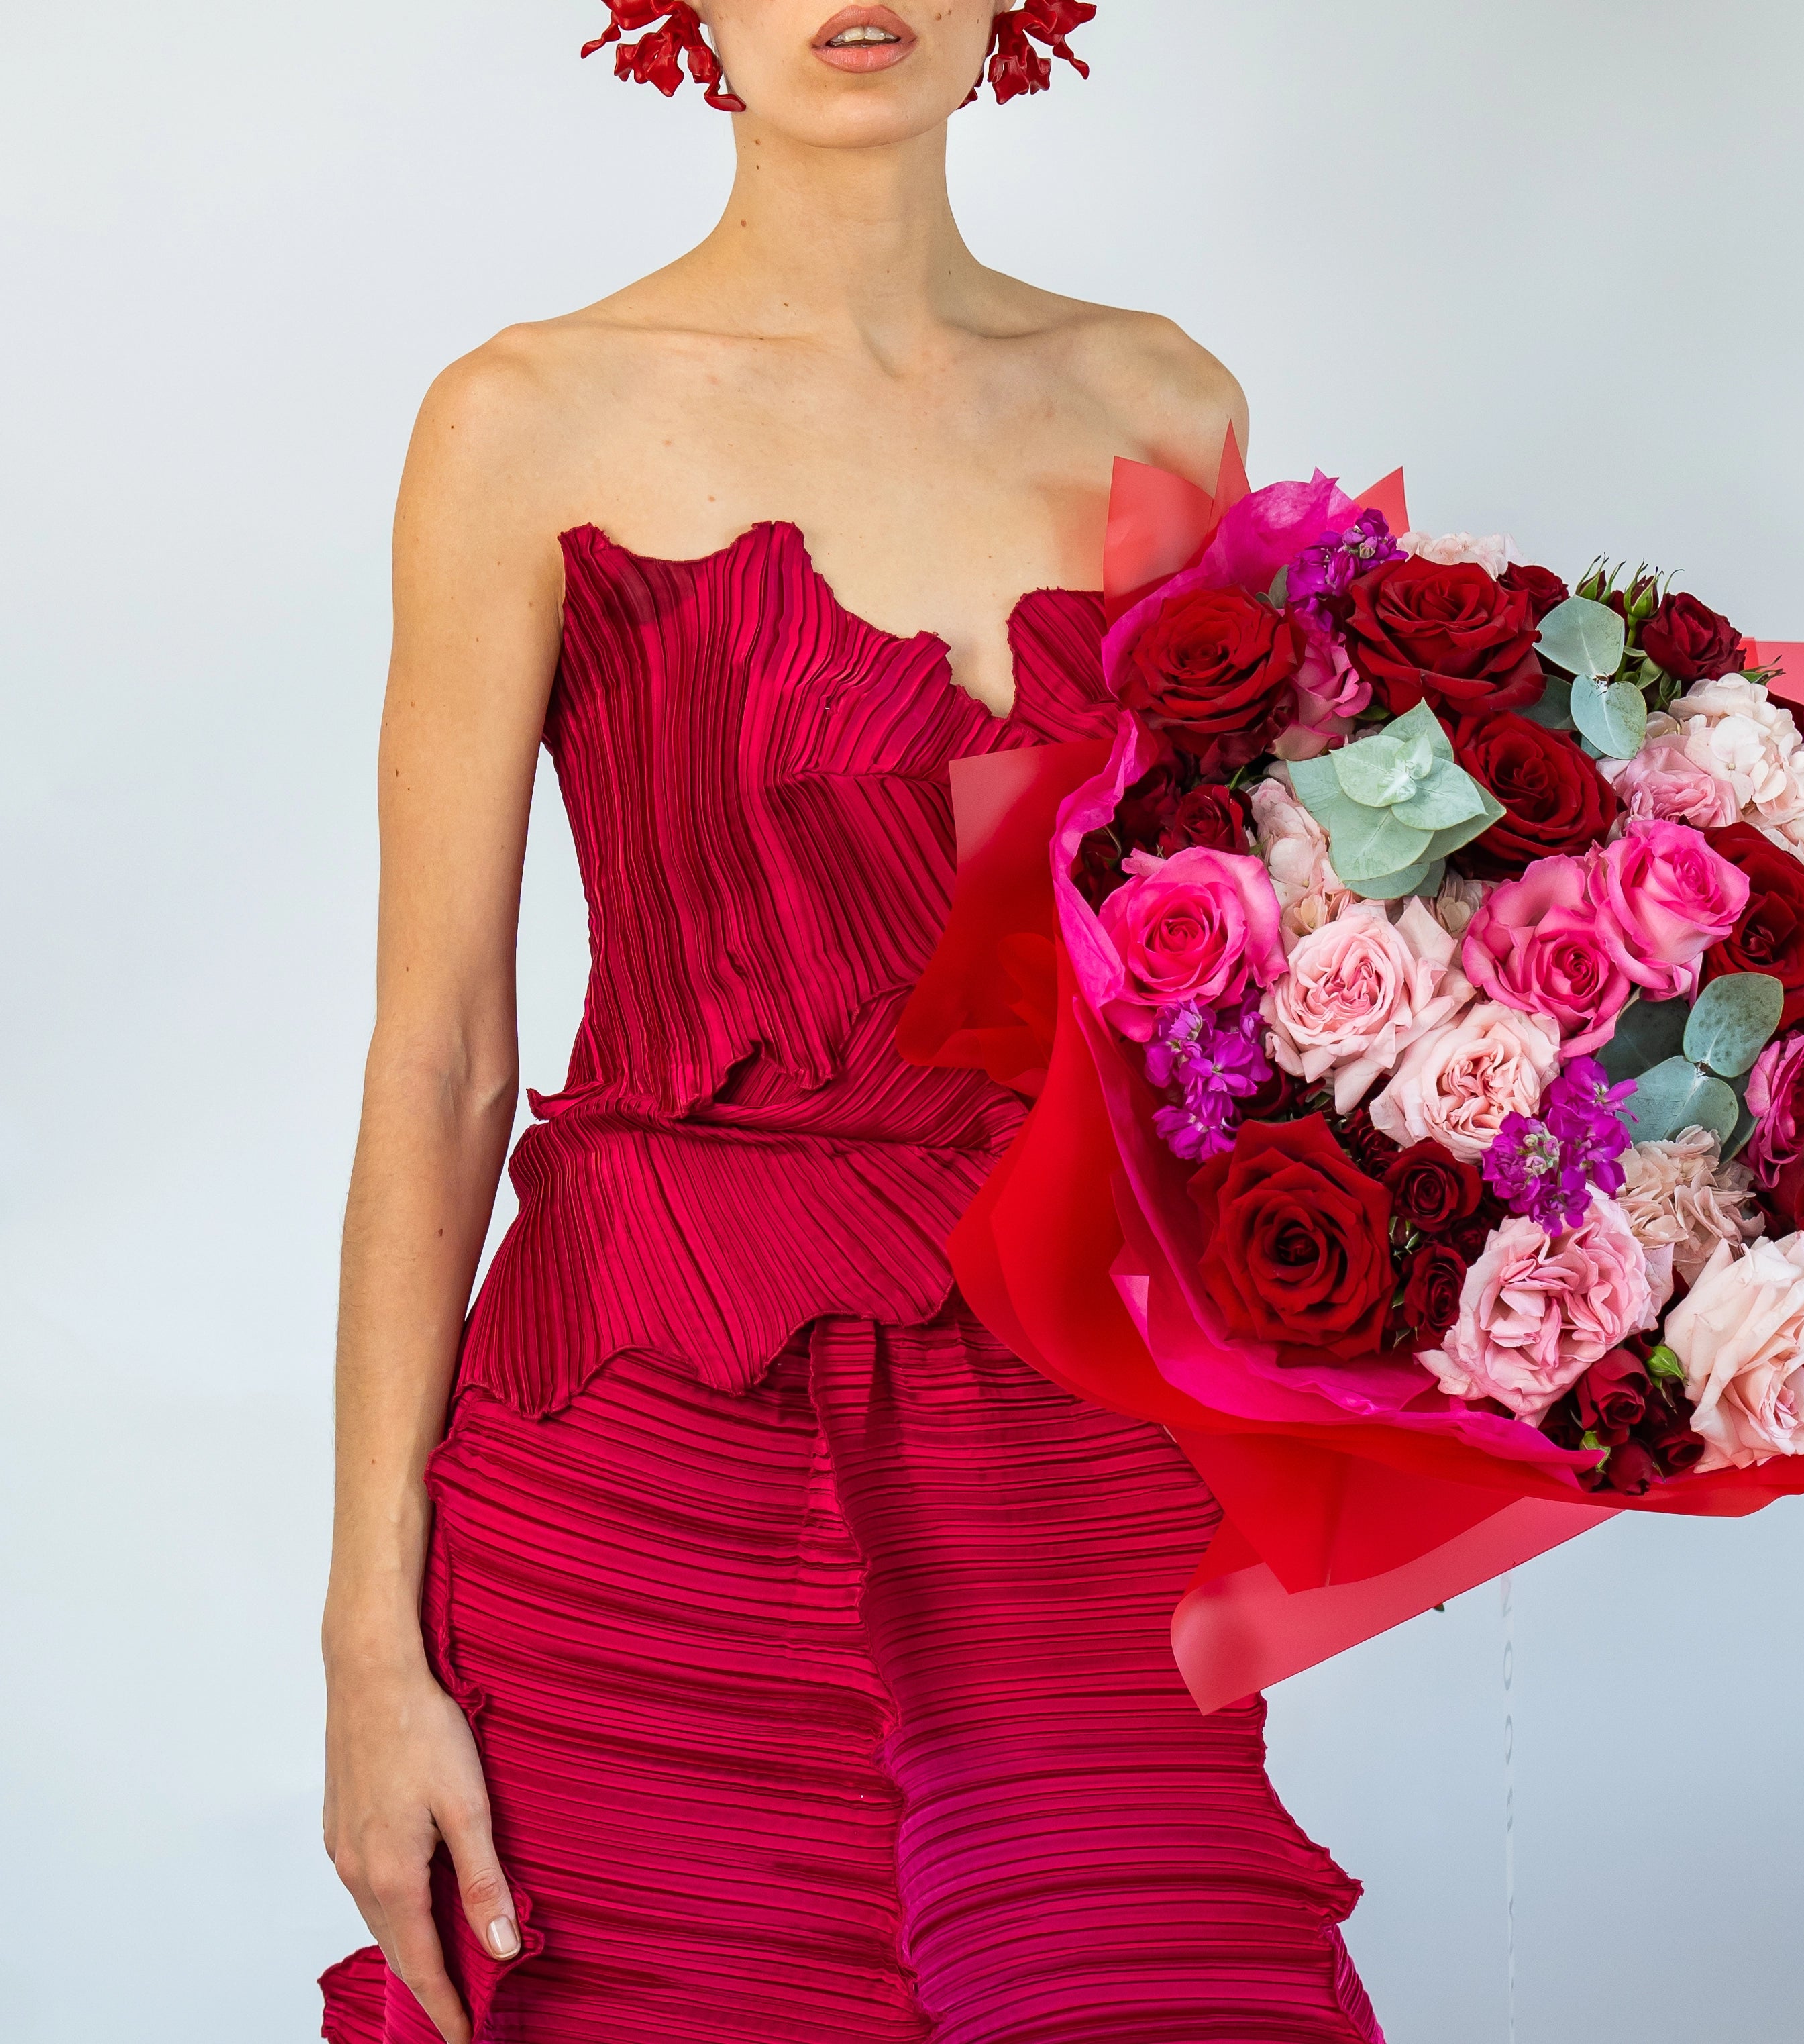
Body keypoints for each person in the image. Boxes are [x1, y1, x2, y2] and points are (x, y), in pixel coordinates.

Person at [319, 5, 1383, 2039]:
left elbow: (1250, 980)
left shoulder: (1163, 403)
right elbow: (441, 1057)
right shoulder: (522, 419)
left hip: (1079, 1439)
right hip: (647, 1445)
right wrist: (370, 1643)